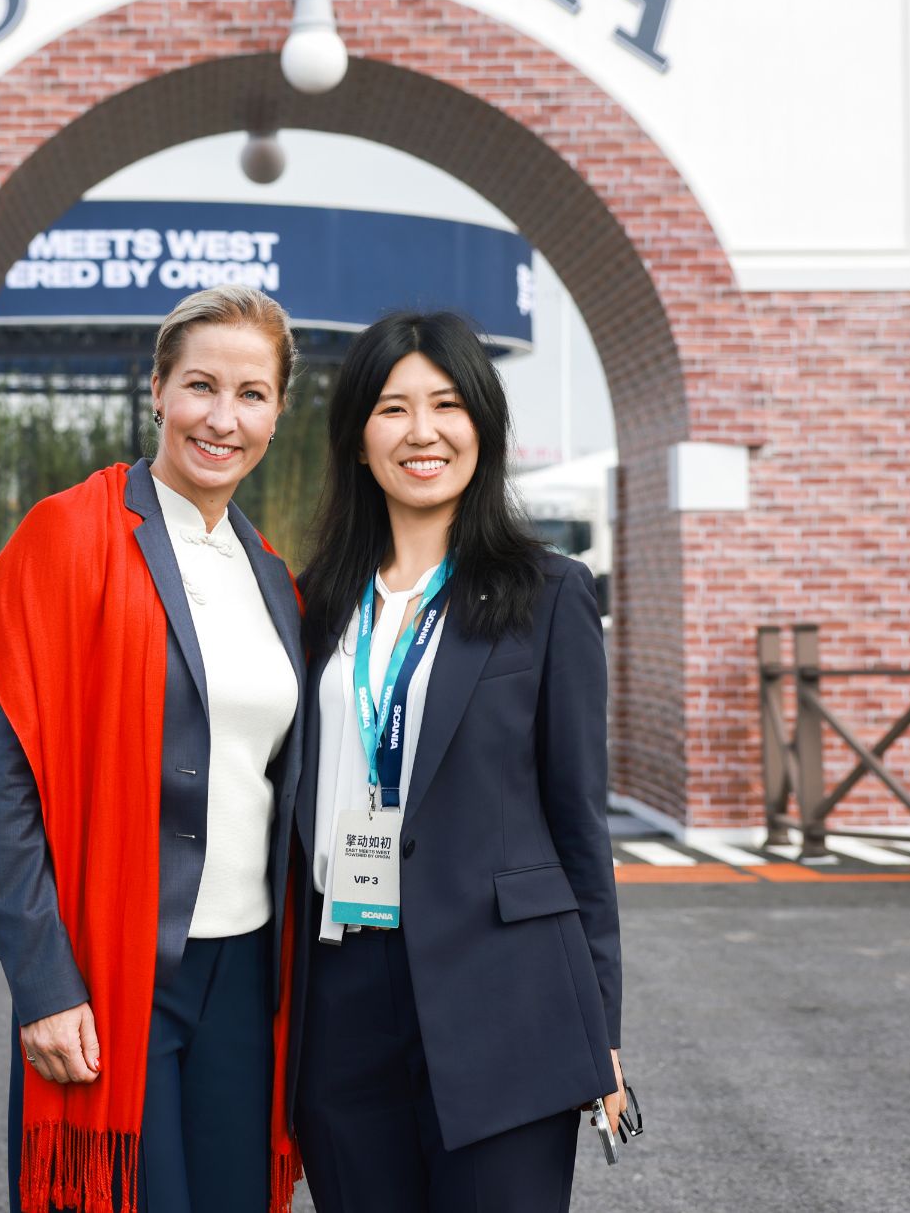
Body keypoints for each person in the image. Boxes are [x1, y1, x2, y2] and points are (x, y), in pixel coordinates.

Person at [0, 285, 306, 1213]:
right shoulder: (68, 535)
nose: (223, 418)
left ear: (278, 411)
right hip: (117, 966)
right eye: (201, 385)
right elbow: (9, 785)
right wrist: (42, 984)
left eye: (251, 394)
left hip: (246, 971)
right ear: (156, 388)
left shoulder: (272, 574)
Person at [289, 310, 624, 1213]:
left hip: (505, 993)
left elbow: (578, 823)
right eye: (393, 408)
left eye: (446, 403)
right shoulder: (312, 601)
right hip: (343, 992)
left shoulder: (550, 593)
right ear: (359, 438)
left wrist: (602, 1026)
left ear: (483, 424)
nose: (422, 431)